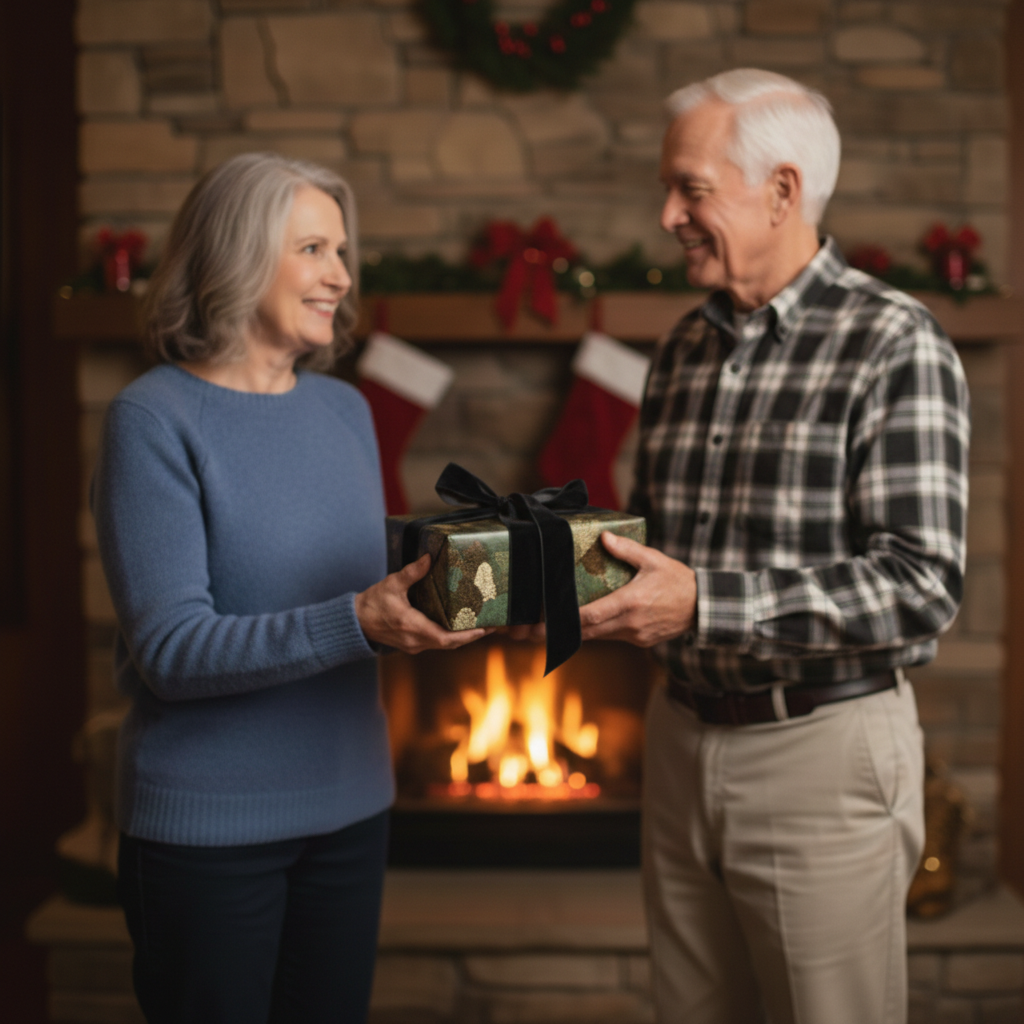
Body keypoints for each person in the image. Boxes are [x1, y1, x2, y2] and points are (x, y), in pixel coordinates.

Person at [577, 70, 970, 1023]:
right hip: (680, 738)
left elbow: (922, 584)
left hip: (823, 752)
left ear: (782, 192)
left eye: (691, 189)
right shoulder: (678, 349)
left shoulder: (895, 342)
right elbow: (659, 549)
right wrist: (541, 580)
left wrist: (706, 603)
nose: (667, 213)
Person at [91, 152, 489, 1024]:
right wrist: (359, 621)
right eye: (315, 249)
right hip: (207, 833)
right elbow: (170, 650)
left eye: (342, 253)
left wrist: (490, 572)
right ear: (237, 255)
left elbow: (346, 553)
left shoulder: (344, 409)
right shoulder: (153, 419)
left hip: (351, 811)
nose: (342, 278)